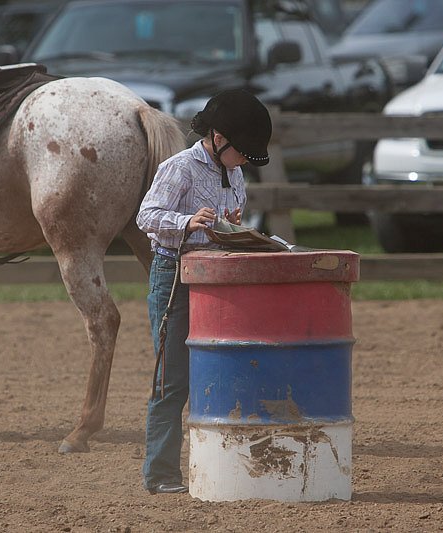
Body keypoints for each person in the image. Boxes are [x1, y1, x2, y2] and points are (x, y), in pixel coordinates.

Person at [135, 88, 272, 495]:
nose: (245, 159)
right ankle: (160, 473)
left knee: (220, 372)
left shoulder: (234, 171)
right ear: (218, 138)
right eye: (242, 151)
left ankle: (217, 465)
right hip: (174, 277)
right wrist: (189, 221)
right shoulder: (180, 167)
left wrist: (230, 224)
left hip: (215, 277)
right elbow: (147, 216)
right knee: (172, 379)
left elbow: (229, 218)